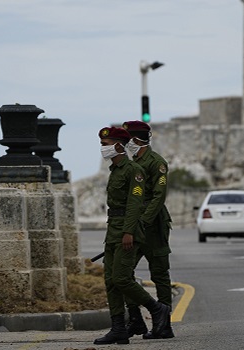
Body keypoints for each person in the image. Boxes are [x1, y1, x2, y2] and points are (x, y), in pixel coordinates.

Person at [94, 126, 171, 345]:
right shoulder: (116, 170)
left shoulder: (145, 166)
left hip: (146, 227)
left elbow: (152, 198)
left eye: (105, 145)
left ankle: (161, 317)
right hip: (117, 228)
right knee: (113, 279)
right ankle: (128, 322)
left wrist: (134, 228)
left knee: (155, 273)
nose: (102, 149)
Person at [122, 120, 174, 339]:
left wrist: (142, 222)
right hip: (134, 224)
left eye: (127, 140)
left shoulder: (156, 162)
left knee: (160, 274)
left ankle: (164, 324)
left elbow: (158, 197)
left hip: (152, 226)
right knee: (123, 272)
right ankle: (135, 319)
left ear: (135, 140)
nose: (125, 144)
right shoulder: (132, 162)